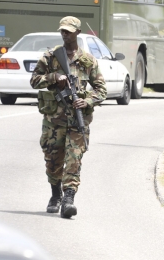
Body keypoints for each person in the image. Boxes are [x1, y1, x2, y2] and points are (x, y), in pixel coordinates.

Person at [30, 16, 107, 219]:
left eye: (69, 31)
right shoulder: (50, 57)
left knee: (74, 160)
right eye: (62, 31)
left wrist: (88, 101)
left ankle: (68, 200)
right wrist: (54, 78)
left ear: (77, 33)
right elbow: (34, 80)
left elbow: (101, 90)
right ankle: (55, 195)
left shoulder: (88, 60)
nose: (65, 34)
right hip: (54, 121)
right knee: (53, 160)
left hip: (77, 120)